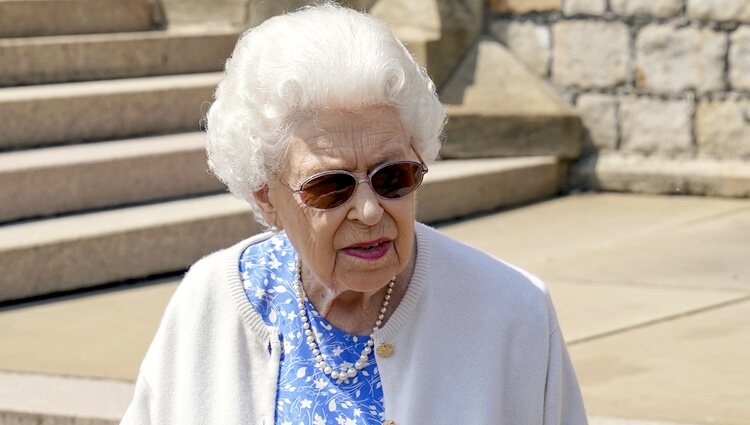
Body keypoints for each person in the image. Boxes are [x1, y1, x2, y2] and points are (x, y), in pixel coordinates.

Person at [120, 3, 587, 424]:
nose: (368, 210)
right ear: (266, 198)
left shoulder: (512, 311)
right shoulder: (211, 301)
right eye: (329, 186)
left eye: (392, 178)